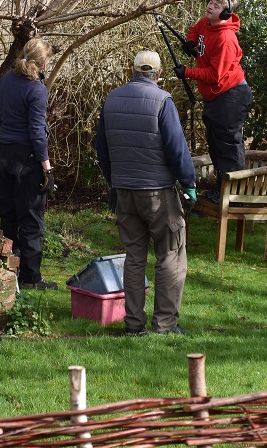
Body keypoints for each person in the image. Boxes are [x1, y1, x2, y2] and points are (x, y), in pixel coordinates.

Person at [96, 50, 196, 336]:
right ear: (159, 74)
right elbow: (177, 148)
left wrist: (113, 180)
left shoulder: (112, 99)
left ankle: (133, 325)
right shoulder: (163, 100)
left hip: (124, 191)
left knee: (134, 257)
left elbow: (102, 148)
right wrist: (188, 184)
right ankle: (164, 324)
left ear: (132, 69)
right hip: (158, 192)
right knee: (171, 255)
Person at [174, 0, 253, 200]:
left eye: (216, 6)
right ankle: (222, 192)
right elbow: (196, 29)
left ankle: (235, 197)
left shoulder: (226, 39)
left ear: (225, 14)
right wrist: (191, 42)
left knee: (228, 146)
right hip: (216, 97)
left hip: (231, 95)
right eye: (210, 2)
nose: (210, 7)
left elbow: (215, 75)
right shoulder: (206, 23)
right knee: (215, 144)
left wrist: (187, 73)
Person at [0, 37, 58, 290]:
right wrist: (47, 168)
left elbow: (1, 116)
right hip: (26, 159)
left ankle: (9, 271)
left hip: (5, 153)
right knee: (31, 216)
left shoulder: (7, 80)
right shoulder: (37, 90)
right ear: (42, 62)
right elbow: (36, 133)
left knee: (8, 214)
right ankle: (31, 278)